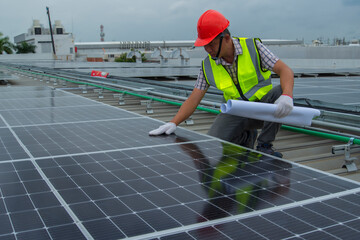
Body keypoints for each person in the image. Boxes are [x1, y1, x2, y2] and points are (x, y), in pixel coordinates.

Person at [149, 9, 294, 157]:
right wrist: (173, 123)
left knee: (279, 91)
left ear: (226, 38)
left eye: (211, 44)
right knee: (213, 144)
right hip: (236, 112)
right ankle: (246, 137)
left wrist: (287, 95)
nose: (207, 49)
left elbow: (285, 70)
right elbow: (194, 97)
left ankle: (264, 145)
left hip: (263, 109)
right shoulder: (207, 66)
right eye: (204, 45)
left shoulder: (253, 48)